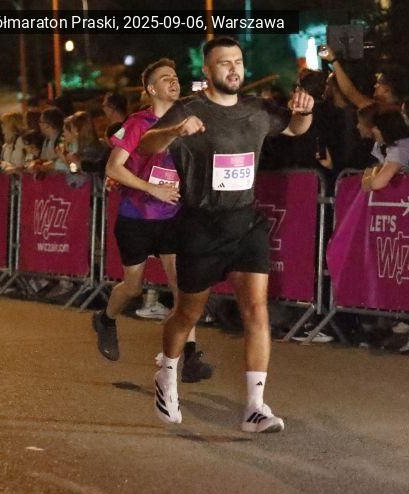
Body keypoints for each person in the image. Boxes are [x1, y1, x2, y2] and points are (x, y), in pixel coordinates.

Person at [138, 36, 313, 432]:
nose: (233, 69)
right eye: (224, 63)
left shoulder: (257, 109)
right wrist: (176, 130)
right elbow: (147, 144)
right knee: (188, 313)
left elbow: (295, 128)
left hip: (246, 224)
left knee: (256, 310)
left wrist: (304, 112)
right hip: (201, 226)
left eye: (238, 61)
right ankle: (167, 372)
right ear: (207, 69)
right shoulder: (189, 109)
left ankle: (255, 407)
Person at [92, 58, 213, 382]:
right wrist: (151, 188)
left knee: (181, 286)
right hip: (136, 215)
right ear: (150, 89)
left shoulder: (188, 120)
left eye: (175, 77)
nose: (174, 81)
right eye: (165, 78)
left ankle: (190, 356)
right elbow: (113, 168)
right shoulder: (138, 123)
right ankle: (105, 319)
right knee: (133, 287)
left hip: (172, 216)